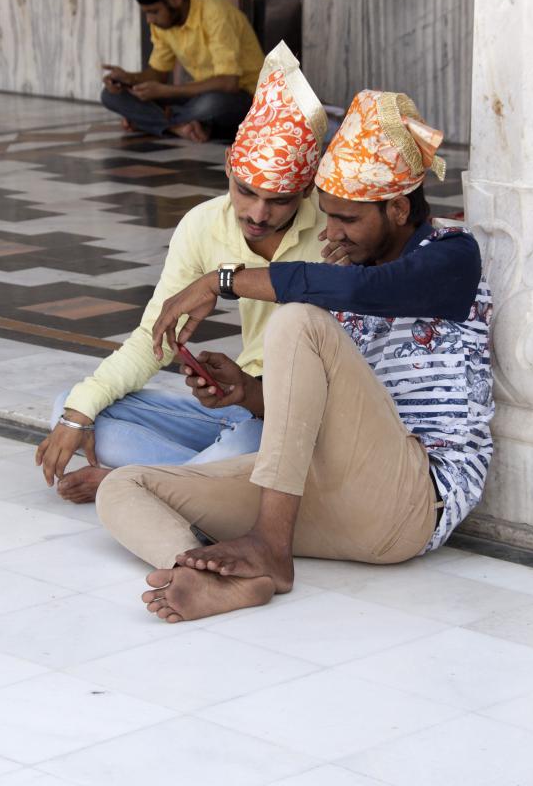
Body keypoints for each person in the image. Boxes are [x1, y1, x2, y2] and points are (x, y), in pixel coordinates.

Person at [95, 90, 494, 624]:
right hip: (326, 500)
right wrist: (246, 392)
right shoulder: (348, 268)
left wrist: (223, 281)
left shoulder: (451, 257)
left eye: (347, 220)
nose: (331, 234)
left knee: (298, 317)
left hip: (411, 501)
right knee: (125, 487)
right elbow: (324, 408)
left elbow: (365, 291)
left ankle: (270, 549)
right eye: (327, 218)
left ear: (398, 209)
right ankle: (209, 574)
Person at [36, 42, 330, 503]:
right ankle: (199, 481)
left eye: (279, 200)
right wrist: (78, 415)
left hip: (295, 418)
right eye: (245, 191)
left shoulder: (337, 233)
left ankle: (140, 482)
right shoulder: (202, 224)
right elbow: (154, 339)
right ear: (228, 163)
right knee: (74, 405)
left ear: (307, 188)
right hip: (235, 410)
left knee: (251, 447)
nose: (257, 213)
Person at [101, 0, 264, 143]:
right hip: (199, 94)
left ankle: (149, 121)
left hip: (246, 98)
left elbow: (229, 83)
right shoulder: (163, 24)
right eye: (147, 13)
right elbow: (158, 73)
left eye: (154, 12)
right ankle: (179, 127)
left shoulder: (214, 12)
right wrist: (129, 79)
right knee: (110, 95)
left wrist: (166, 92)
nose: (150, 19)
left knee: (210, 105)